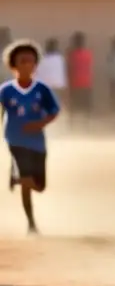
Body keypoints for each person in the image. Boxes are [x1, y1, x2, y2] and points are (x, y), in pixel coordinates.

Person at [0, 40, 61, 234]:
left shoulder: (41, 89)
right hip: (15, 140)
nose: (27, 64)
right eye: (22, 61)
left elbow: (54, 110)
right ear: (13, 65)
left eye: (31, 61)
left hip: (37, 142)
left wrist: (40, 123)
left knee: (39, 186)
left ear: (35, 65)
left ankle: (17, 176)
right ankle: (31, 223)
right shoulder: (6, 90)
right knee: (27, 182)